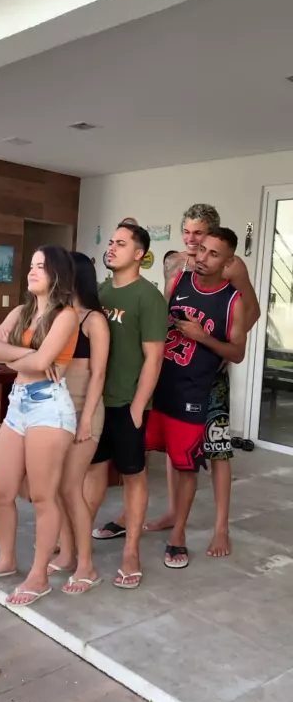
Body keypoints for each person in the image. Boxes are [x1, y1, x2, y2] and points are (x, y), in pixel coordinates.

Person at [95, 204, 260, 556]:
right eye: (187, 233)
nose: (192, 241)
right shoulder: (178, 267)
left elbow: (249, 317)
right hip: (168, 373)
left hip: (207, 379)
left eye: (199, 234)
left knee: (214, 452)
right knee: (155, 449)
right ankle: (153, 514)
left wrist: (213, 343)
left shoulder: (233, 271)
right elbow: (163, 319)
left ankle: (219, 528)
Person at [0, 246, 79, 607]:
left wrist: (18, 357)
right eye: (31, 265)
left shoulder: (66, 316)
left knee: (43, 495)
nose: (32, 271)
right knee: (0, 491)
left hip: (49, 408)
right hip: (18, 404)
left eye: (41, 266)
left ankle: (39, 575)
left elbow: (42, 360)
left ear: (57, 274)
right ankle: (6, 559)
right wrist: (28, 356)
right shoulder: (21, 312)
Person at [146, 227, 246, 568]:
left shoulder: (233, 300)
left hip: (200, 391)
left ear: (228, 262)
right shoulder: (179, 281)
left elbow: (237, 353)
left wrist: (203, 337)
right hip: (163, 384)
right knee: (156, 457)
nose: (202, 257)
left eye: (213, 254)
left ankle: (202, 532)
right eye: (201, 249)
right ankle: (163, 515)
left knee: (199, 460)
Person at [83, 222, 168, 588]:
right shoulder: (101, 292)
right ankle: (77, 540)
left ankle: (131, 551)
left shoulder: (148, 297)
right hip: (96, 401)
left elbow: (154, 358)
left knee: (133, 474)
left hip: (127, 403)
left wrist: (137, 407)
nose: (112, 248)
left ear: (139, 254)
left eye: (121, 243)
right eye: (111, 242)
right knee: (94, 471)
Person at [49, 252, 109, 594]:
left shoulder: (93, 320)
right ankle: (68, 553)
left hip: (85, 411)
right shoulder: (60, 315)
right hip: (56, 412)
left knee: (71, 488)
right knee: (57, 487)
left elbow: (98, 373)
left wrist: (86, 420)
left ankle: (87, 565)